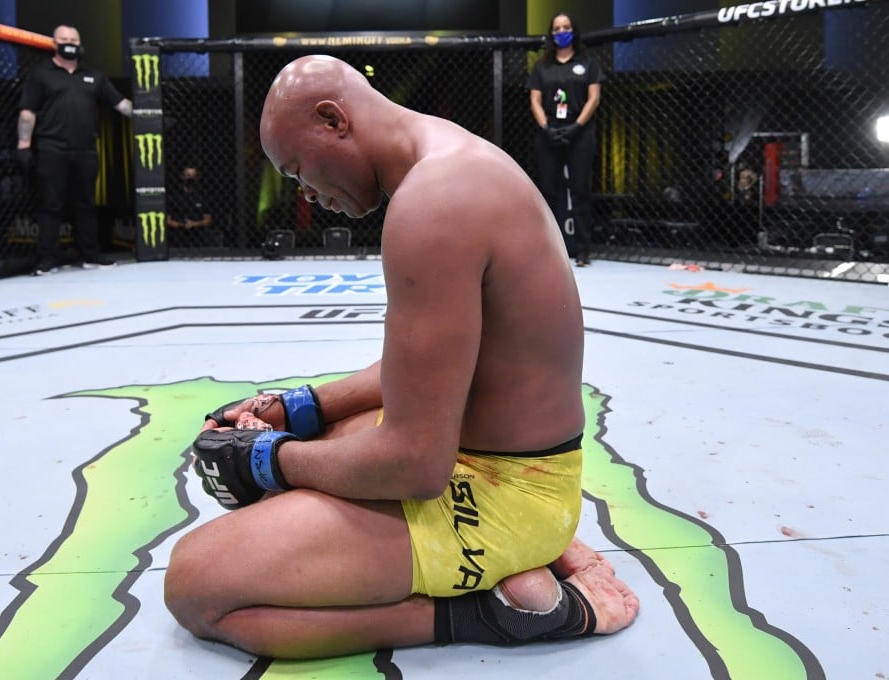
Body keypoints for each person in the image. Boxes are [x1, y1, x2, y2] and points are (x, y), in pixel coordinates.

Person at [163, 55, 639, 660]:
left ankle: (501, 614)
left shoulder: (434, 202)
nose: (305, 193)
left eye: (298, 171)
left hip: (502, 496)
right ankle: (527, 554)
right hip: (517, 469)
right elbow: (425, 377)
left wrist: (266, 460)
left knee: (196, 585)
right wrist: (299, 408)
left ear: (333, 120)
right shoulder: (447, 159)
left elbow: (415, 464)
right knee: (319, 446)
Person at [17, 24, 132, 276]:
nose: (69, 43)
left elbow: (121, 104)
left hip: (85, 150)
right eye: (64, 39)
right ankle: (47, 259)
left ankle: (90, 255)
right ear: (53, 43)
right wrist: (24, 145)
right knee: (50, 204)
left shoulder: (93, 75)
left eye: (73, 39)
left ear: (80, 44)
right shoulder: (40, 74)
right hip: (51, 148)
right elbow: (28, 111)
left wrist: (151, 116)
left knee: (85, 204)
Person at [526, 13, 604, 267]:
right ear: (551, 34)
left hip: (579, 133)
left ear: (574, 31)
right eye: (557, 28)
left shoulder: (588, 63)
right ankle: (548, 249)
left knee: (580, 190)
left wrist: (576, 126)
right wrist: (546, 127)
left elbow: (594, 98)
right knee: (548, 191)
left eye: (566, 27)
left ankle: (582, 250)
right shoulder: (542, 67)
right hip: (549, 133)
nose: (562, 32)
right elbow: (535, 100)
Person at [166, 165, 216, 248]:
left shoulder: (202, 196)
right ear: (182, 177)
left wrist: (194, 224)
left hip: (198, 239)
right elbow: (167, 220)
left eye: (193, 176)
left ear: (197, 178)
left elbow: (208, 220)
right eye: (188, 175)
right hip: (177, 238)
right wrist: (182, 225)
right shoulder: (174, 196)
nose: (190, 178)